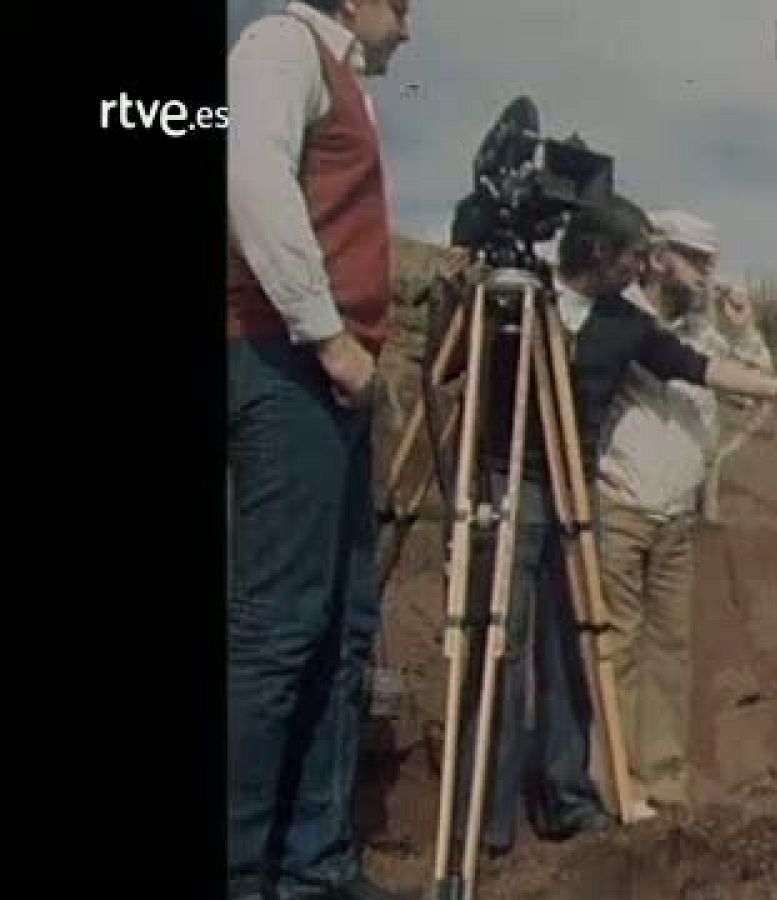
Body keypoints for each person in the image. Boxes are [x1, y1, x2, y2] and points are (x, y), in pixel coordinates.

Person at [448, 194, 777, 855]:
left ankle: (569, 796)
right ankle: (488, 815)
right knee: (504, 642)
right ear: (601, 252)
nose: (639, 268)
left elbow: (699, 367)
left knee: (572, 645)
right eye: (634, 256)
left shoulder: (624, 324)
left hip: (574, 491)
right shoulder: (526, 298)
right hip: (516, 477)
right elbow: (459, 364)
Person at [226, 2, 413, 898]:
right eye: (402, 4)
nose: (408, 26)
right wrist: (326, 332)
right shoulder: (280, 44)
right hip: (287, 360)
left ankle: (315, 865)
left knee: (342, 628)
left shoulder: (344, 80)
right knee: (280, 627)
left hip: (329, 375)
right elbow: (252, 176)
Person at [593, 210, 771, 820]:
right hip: (620, 502)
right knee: (617, 645)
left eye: (709, 262)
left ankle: (663, 783)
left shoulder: (706, 336)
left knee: (670, 649)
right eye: (694, 259)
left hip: (676, 515)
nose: (705, 273)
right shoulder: (623, 319)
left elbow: (751, 393)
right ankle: (616, 783)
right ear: (659, 255)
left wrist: (744, 335)